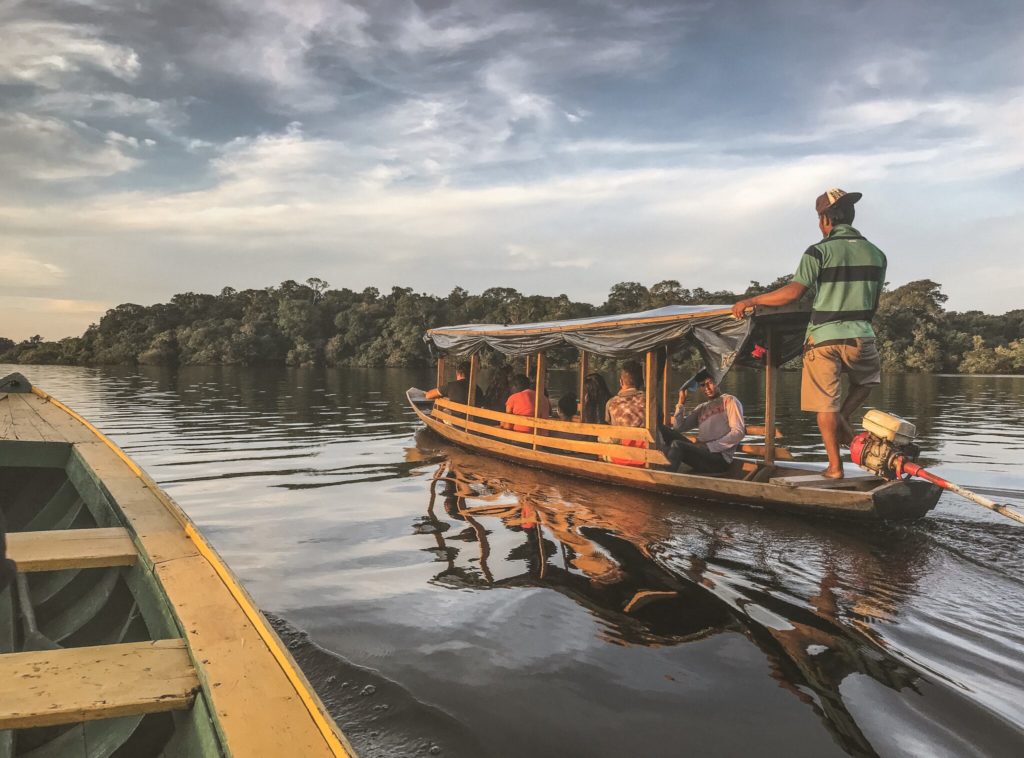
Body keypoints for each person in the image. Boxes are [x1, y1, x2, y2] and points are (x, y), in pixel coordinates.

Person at [731, 188, 886, 479]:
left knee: (825, 404)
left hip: (823, 339)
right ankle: (843, 417)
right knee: (866, 382)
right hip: (862, 334)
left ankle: (835, 467)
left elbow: (793, 293)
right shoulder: (877, 254)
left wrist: (751, 301)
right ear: (850, 216)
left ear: (825, 220)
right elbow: (874, 302)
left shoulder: (819, 250)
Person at [663, 372, 746, 474]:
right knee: (665, 431)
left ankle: (665, 477)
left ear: (718, 382)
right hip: (701, 454)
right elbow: (678, 427)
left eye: (710, 383)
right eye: (702, 385)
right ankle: (659, 464)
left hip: (718, 459)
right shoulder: (702, 408)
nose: (707, 387)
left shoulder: (729, 401)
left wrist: (709, 446)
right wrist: (681, 402)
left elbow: (738, 432)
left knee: (677, 444)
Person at [604, 361, 648, 466]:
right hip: (646, 457)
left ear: (621, 382)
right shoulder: (648, 400)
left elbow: (611, 427)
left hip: (619, 457)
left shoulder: (611, 403)